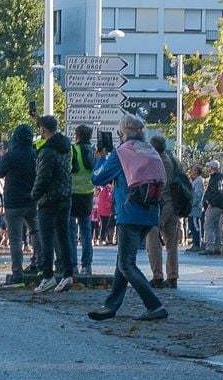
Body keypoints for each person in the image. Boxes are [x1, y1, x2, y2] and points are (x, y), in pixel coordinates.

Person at [88, 114, 167, 322]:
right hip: (150, 212)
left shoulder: (122, 153)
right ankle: (110, 305)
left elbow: (98, 178)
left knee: (126, 264)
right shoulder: (149, 149)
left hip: (129, 212)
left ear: (123, 133)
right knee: (122, 261)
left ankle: (154, 305)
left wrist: (101, 157)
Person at [31, 116, 74, 293]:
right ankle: (68, 273)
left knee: (46, 239)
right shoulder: (66, 148)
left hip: (48, 200)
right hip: (65, 196)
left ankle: (48, 276)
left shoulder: (47, 151)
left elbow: (43, 177)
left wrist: (34, 195)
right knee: (63, 237)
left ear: (43, 129)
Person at [0, 125, 37, 283]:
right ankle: (38, 264)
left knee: (16, 239)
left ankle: (17, 272)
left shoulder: (11, 156)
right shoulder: (35, 154)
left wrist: (0, 161)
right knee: (36, 232)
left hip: (13, 201)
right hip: (32, 199)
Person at [145, 136, 190, 289]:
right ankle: (172, 276)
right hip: (174, 205)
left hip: (159, 205)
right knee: (172, 244)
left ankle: (157, 276)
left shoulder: (154, 161)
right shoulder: (174, 160)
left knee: (152, 241)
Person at [67, 126, 97, 276]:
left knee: (71, 232)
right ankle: (87, 266)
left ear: (77, 136)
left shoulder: (73, 150)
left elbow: (68, 170)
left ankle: (73, 266)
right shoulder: (93, 151)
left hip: (73, 195)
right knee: (86, 231)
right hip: (88, 195)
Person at [199, 161, 223, 255]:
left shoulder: (216, 178)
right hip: (218, 205)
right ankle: (218, 247)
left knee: (208, 225)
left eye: (209, 167)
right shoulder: (218, 177)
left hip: (214, 205)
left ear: (212, 168)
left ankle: (210, 247)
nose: (208, 169)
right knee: (216, 226)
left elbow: (217, 191)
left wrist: (210, 202)